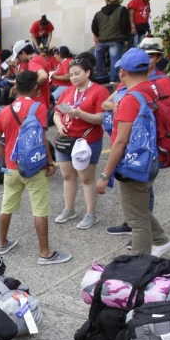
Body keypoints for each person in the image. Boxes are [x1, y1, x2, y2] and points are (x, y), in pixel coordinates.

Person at [95, 48, 170, 258]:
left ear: (122, 72)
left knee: (136, 218)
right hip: (150, 158)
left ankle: (139, 263)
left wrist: (105, 175)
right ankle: (161, 240)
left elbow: (120, 142)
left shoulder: (130, 99)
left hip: (133, 163)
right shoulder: (152, 89)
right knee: (139, 207)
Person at [0, 71, 70, 265]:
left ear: (15, 88)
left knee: (6, 206)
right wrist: (50, 162)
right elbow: (42, 139)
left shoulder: (4, 112)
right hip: (34, 167)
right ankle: (45, 253)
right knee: (39, 209)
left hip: (12, 169)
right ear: (35, 88)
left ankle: (2, 244)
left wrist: (9, 159)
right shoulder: (38, 107)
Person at [51, 52, 108, 231]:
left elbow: (101, 118)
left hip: (87, 140)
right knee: (67, 176)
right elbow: (57, 112)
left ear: (88, 73)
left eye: (77, 73)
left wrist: (80, 114)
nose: (73, 77)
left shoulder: (99, 91)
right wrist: (59, 125)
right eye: (72, 74)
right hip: (66, 139)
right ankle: (69, 209)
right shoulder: (68, 91)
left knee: (86, 178)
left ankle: (91, 214)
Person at [92, 0, 131, 78]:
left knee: (99, 62)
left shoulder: (99, 13)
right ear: (118, 0)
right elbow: (125, 24)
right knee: (115, 61)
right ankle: (113, 80)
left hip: (102, 41)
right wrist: (125, 36)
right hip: (116, 40)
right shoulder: (122, 9)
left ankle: (100, 78)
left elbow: (94, 26)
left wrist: (99, 35)